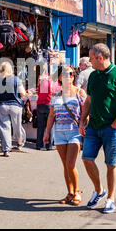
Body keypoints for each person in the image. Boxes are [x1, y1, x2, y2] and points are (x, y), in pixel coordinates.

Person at [79, 43, 116, 214]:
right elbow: (88, 100)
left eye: (92, 58)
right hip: (94, 126)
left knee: (111, 164)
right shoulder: (93, 76)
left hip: (112, 128)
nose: (90, 61)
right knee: (87, 158)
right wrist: (82, 120)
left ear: (100, 57)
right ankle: (99, 190)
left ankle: (110, 198)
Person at [43, 65, 87, 206]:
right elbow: (51, 115)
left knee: (70, 164)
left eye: (71, 74)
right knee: (65, 165)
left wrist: (83, 125)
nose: (69, 76)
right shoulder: (56, 95)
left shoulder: (79, 93)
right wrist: (46, 132)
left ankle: (77, 192)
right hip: (59, 133)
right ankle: (70, 192)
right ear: (60, 77)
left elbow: (86, 113)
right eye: (65, 74)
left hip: (74, 132)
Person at [0, 61, 27, 157]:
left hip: (2, 106)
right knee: (17, 126)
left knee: (5, 128)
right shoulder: (16, 79)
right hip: (15, 106)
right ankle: (19, 143)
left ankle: (6, 150)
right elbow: (22, 93)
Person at [36, 71, 61, 150]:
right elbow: (59, 94)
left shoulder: (42, 82)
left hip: (40, 104)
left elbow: (38, 92)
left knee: (40, 126)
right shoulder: (55, 83)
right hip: (50, 104)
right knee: (50, 126)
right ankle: (49, 145)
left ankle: (39, 145)